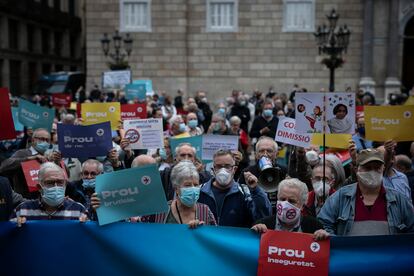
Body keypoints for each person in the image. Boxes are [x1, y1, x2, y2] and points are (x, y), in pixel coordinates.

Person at [318, 149, 414, 235]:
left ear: (383, 169)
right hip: (350, 254)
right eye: (367, 168)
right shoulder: (340, 197)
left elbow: (411, 229)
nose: (373, 171)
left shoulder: (398, 199)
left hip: (390, 254)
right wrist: (330, 237)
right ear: (356, 170)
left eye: (377, 168)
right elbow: (323, 224)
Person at [198, 149, 272, 227]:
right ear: (213, 170)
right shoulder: (200, 191)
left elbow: (263, 215)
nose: (223, 170)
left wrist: (255, 190)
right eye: (219, 167)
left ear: (234, 169)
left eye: (227, 166)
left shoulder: (245, 193)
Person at [140, 161, 216, 227]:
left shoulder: (205, 211)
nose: (193, 189)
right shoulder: (159, 212)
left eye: (196, 185)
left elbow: (214, 237)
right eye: (187, 185)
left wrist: (202, 229)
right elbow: (142, 231)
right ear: (176, 188)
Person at [251, 178, 328, 240]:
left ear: (302, 205)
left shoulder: (314, 227)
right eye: (282, 199)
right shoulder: (263, 225)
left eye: (291, 201)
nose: (285, 204)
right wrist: (254, 233)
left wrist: (323, 237)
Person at [13, 162, 87, 222]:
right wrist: (16, 226)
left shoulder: (79, 210)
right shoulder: (22, 210)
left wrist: (85, 225)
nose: (56, 186)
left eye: (60, 182)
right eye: (50, 182)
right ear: (39, 187)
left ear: (65, 185)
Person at [0, 128, 57, 198]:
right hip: (25, 201)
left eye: (47, 140)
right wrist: (29, 159)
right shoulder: (22, 153)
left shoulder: (50, 156)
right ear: (33, 140)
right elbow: (3, 167)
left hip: (47, 201)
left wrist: (57, 162)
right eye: (41, 139)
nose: (45, 142)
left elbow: (66, 176)